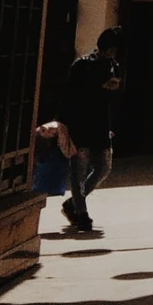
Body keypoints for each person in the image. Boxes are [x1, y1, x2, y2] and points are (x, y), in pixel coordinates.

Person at [56, 27, 122, 234]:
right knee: (79, 168)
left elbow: (114, 97)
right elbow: (69, 95)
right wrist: (63, 125)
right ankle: (82, 214)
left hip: (101, 123)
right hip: (81, 123)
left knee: (104, 167)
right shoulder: (82, 65)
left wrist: (112, 89)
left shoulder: (114, 67)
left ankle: (74, 202)